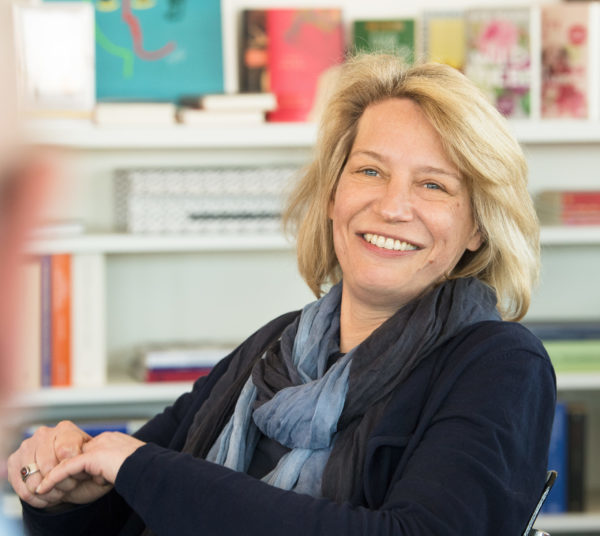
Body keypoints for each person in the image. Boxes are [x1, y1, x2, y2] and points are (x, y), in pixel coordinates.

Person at [8, 54, 556, 535]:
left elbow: (153, 476)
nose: (392, 207)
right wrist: (62, 490)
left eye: (433, 184)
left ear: (477, 226)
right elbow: (125, 510)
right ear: (333, 196)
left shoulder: (500, 365)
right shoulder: (274, 346)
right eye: (370, 171)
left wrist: (140, 467)